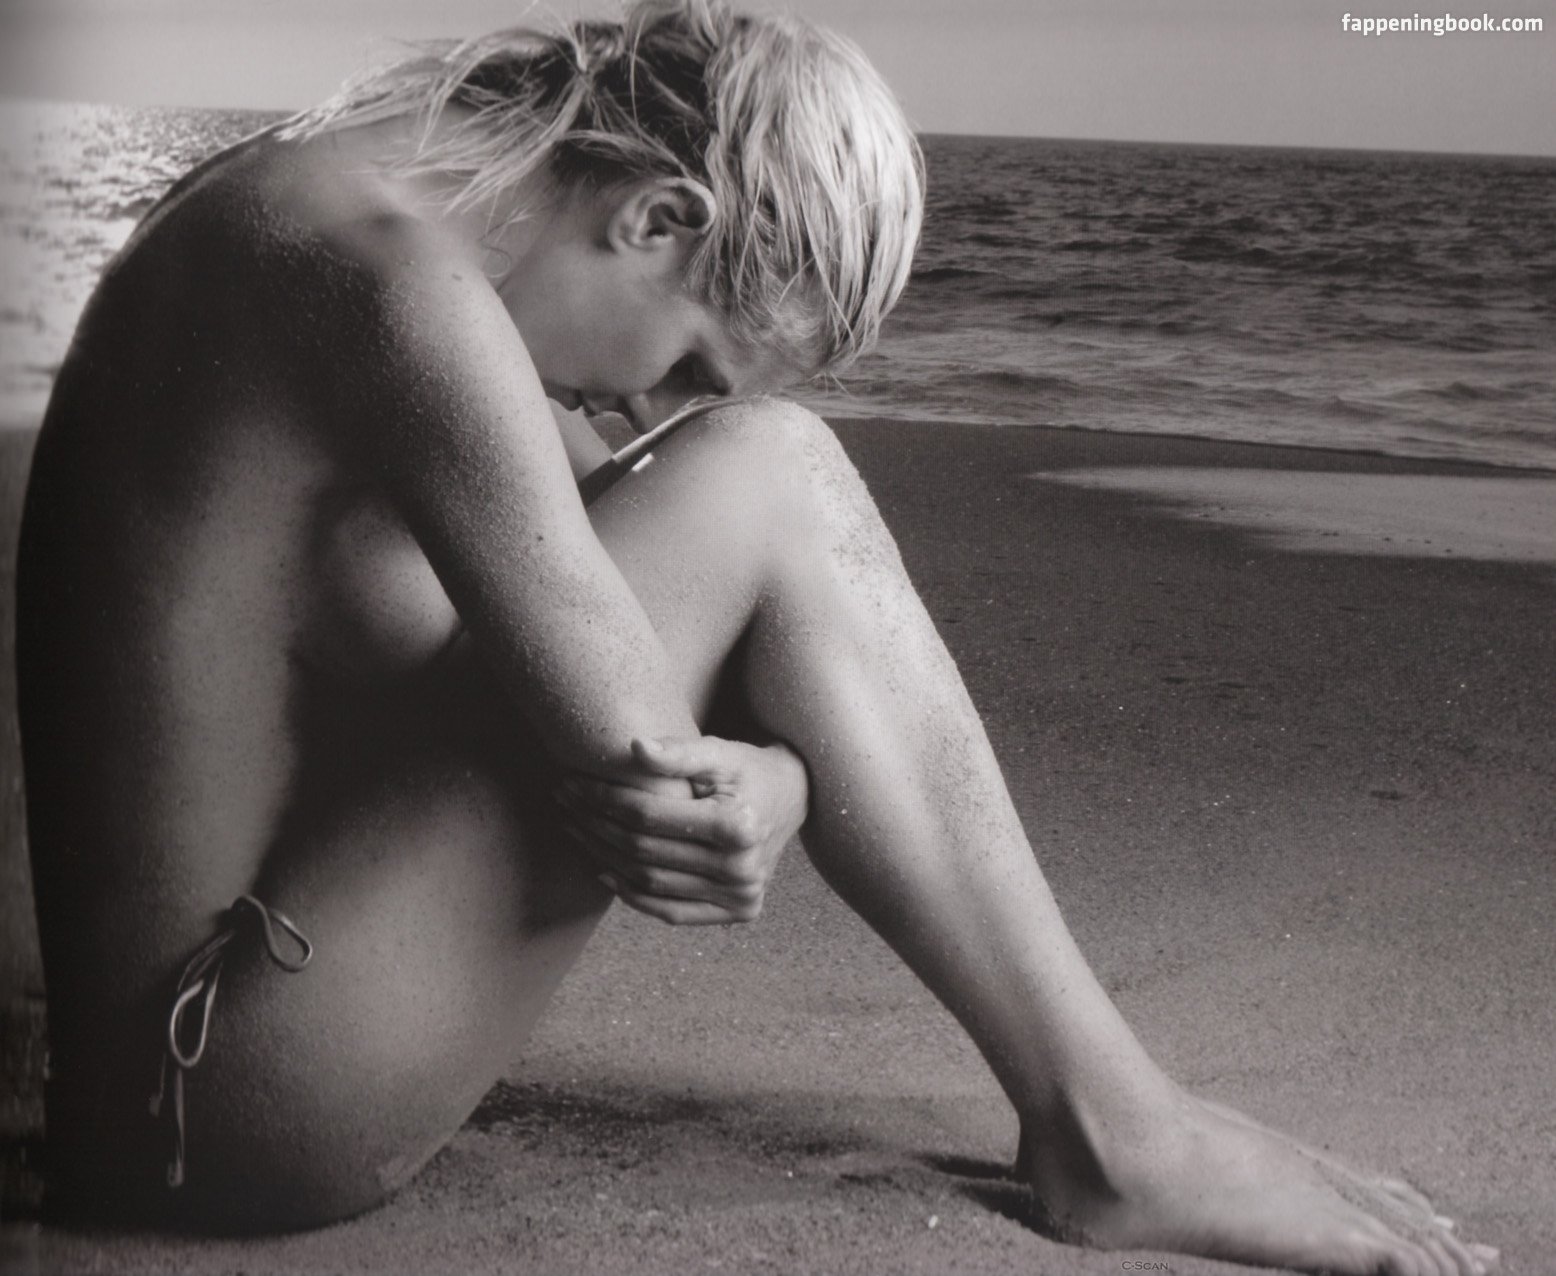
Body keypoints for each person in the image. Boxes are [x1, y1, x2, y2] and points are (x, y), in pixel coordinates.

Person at [16, 3, 1495, 1272]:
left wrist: (777, 771)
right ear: (659, 218)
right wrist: (782, 779)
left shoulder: (300, 198)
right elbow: (659, 787)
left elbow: (474, 634)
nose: (641, 416)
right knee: (775, 471)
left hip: (172, 1076)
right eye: (687, 366)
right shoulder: (398, 289)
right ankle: (1115, 1129)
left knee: (750, 481)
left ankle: (1114, 1118)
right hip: (220, 1093)